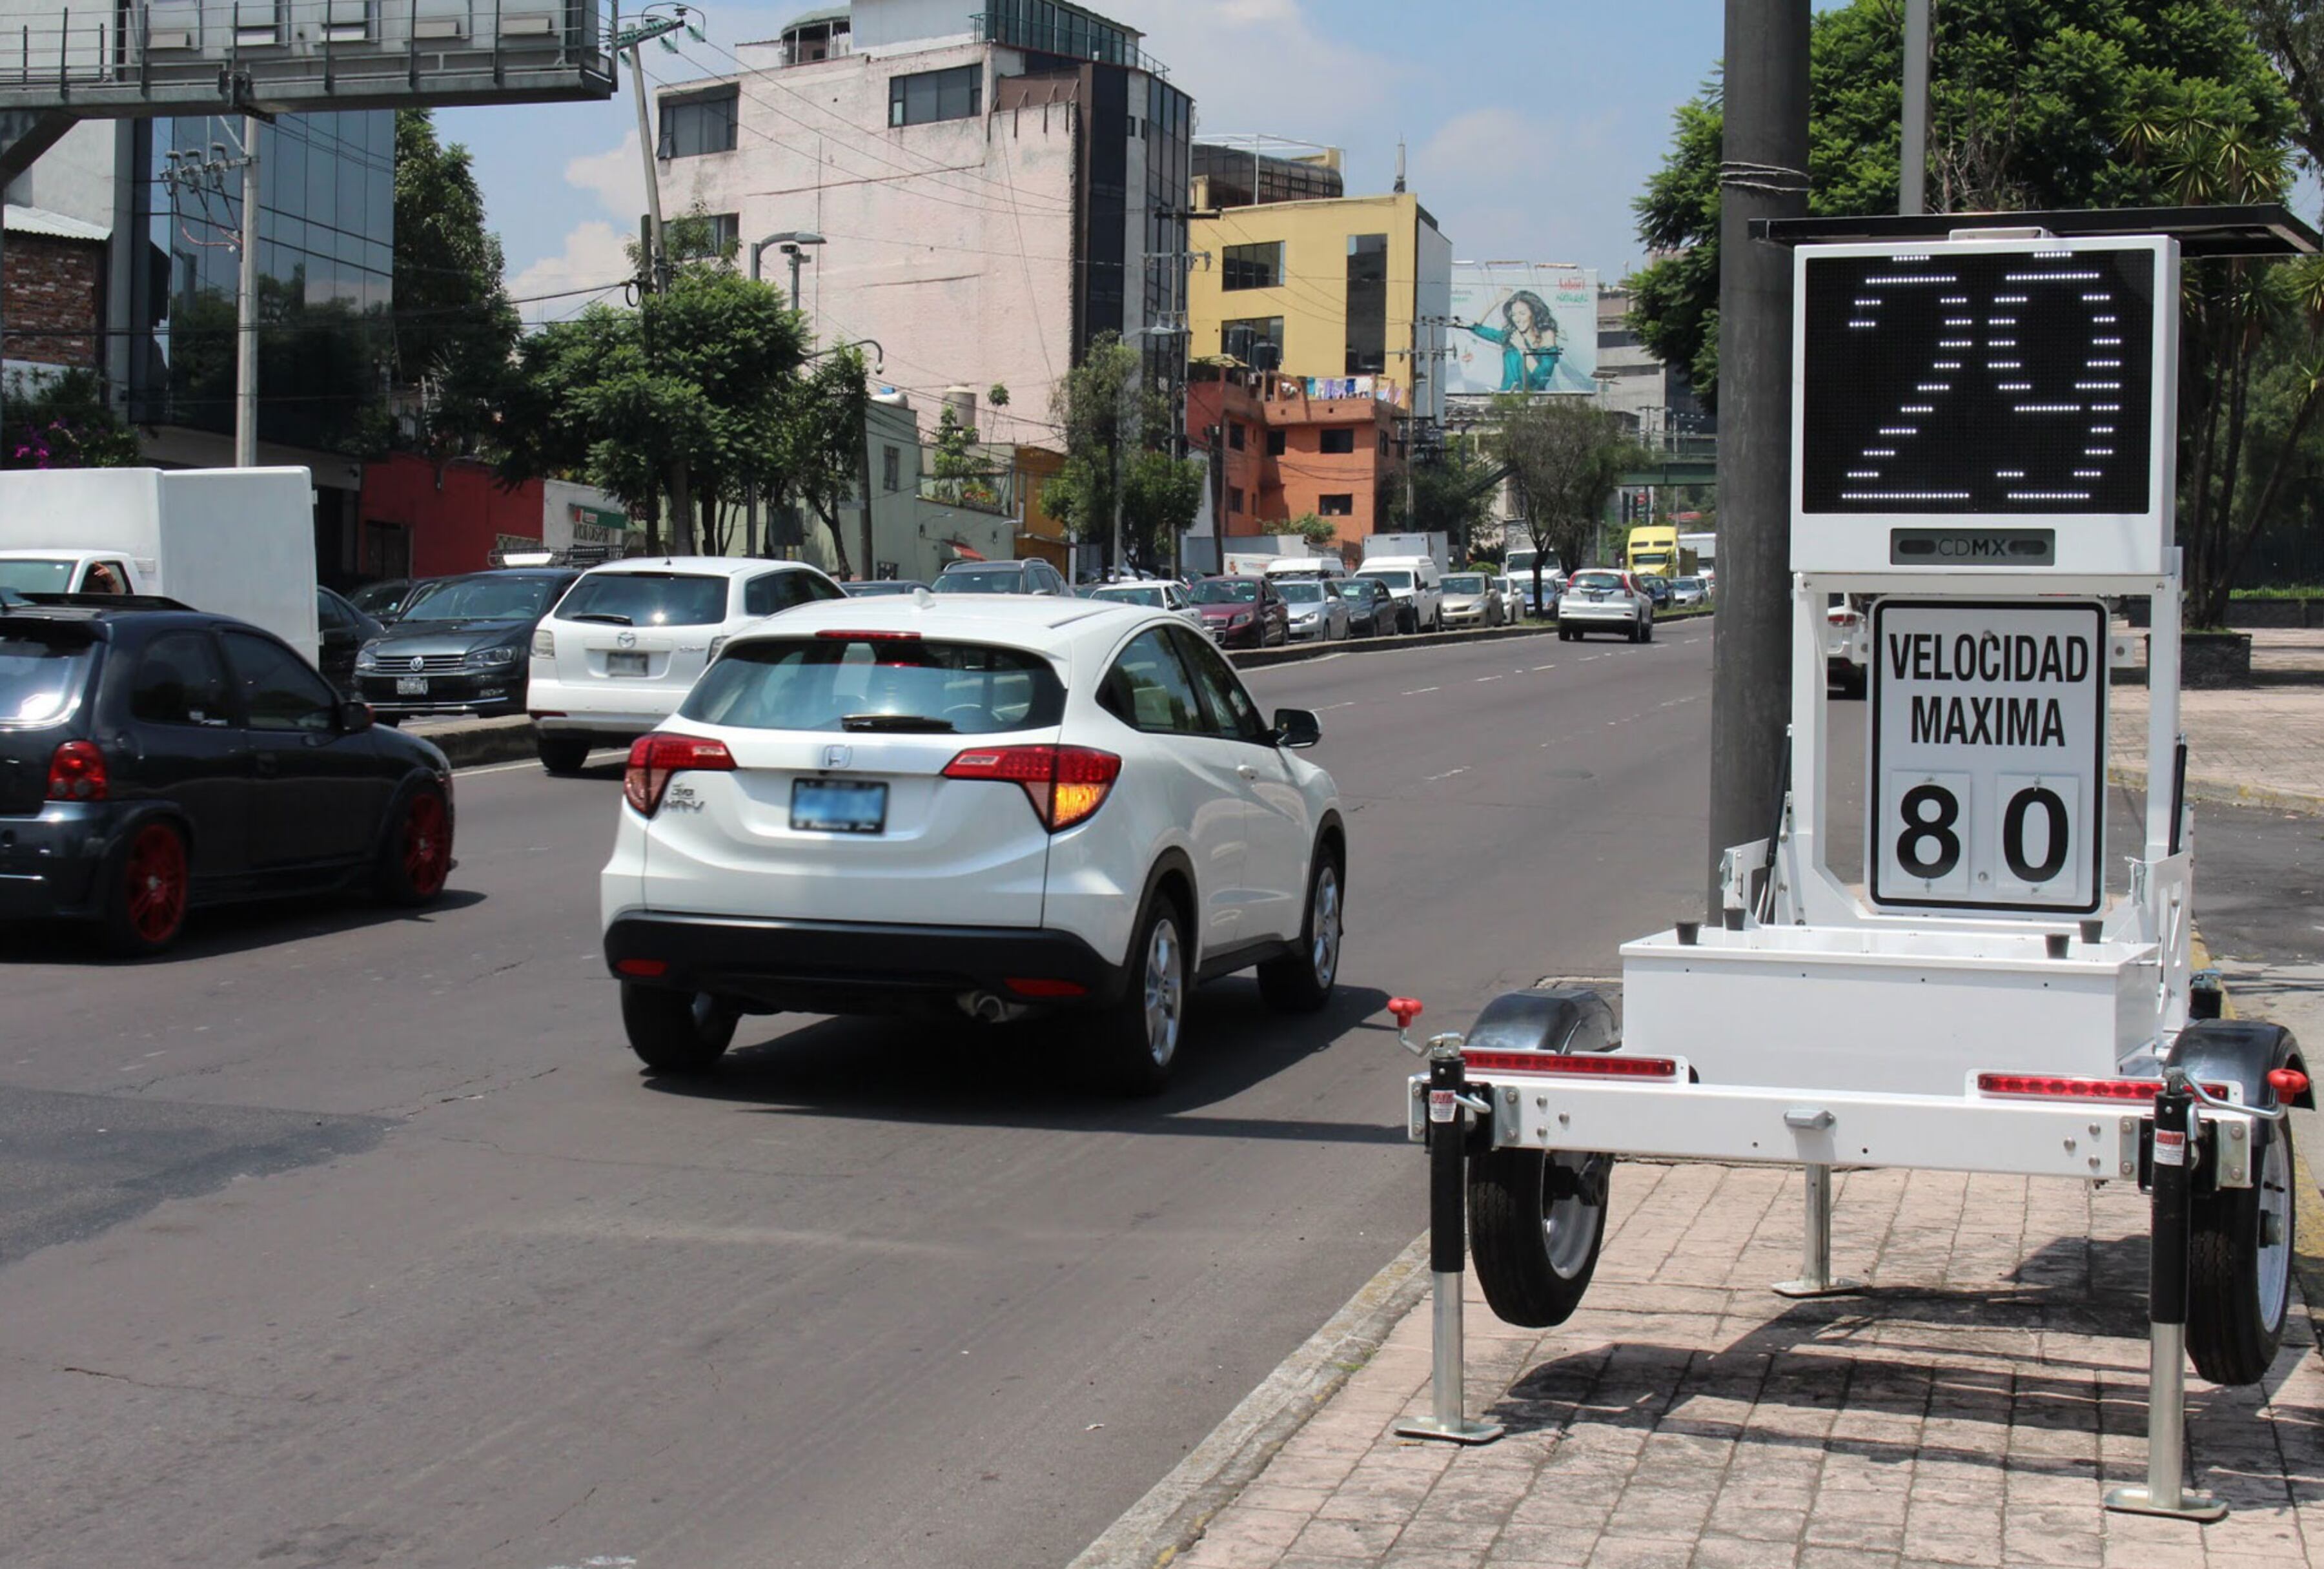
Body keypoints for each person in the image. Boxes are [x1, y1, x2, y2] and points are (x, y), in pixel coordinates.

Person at [1456, 290, 1581, 394]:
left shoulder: (1546, 339)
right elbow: (1476, 328)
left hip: (1533, 401)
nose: (1518, 319)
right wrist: (1496, 301)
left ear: (1534, 313)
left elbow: (1542, 379)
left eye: (1522, 313)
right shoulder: (1509, 337)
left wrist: (1522, 348)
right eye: (1514, 315)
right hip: (1506, 397)